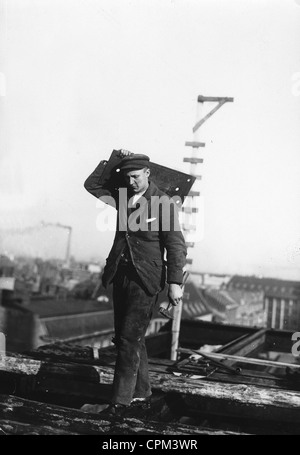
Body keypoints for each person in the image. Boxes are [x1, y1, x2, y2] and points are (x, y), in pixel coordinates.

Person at [84, 149, 187, 416]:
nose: (131, 182)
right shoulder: (122, 196)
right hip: (121, 273)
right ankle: (142, 393)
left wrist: (175, 282)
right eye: (127, 177)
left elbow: (175, 245)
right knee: (129, 338)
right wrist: (115, 157)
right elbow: (92, 185)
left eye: (136, 176)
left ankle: (119, 404)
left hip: (146, 278)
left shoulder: (164, 203)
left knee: (129, 338)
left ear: (148, 173)